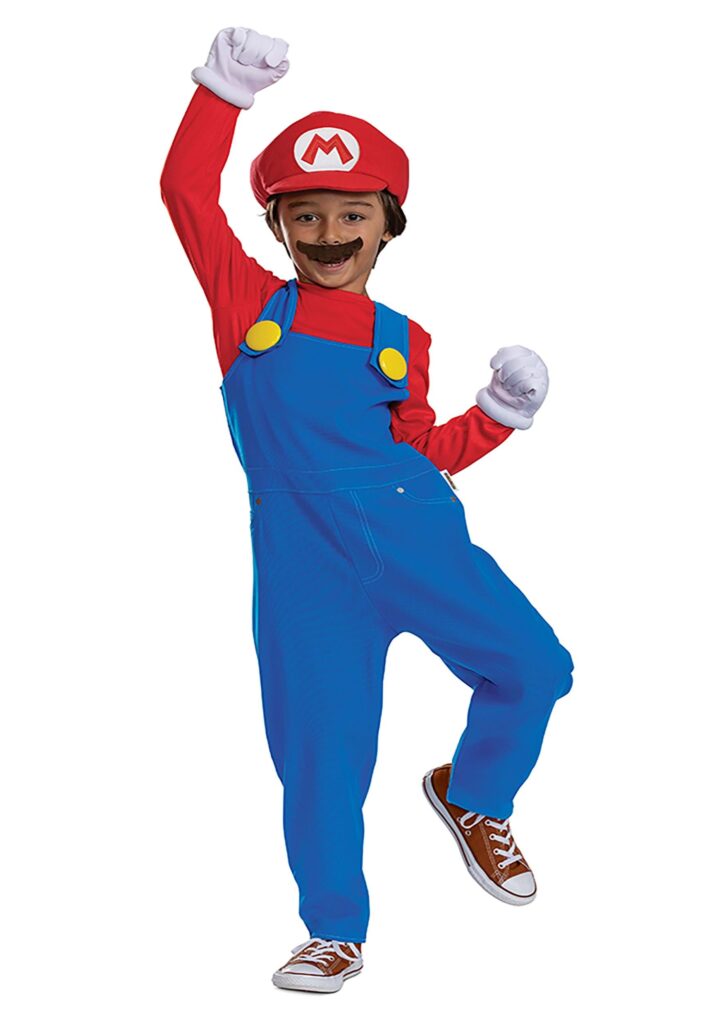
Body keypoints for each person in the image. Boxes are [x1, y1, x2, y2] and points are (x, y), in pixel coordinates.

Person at [160, 25, 575, 995]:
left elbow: (419, 451)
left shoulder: (403, 336)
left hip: (419, 535)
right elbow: (184, 193)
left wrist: (496, 416)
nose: (329, 233)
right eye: (304, 214)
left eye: (353, 213)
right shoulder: (246, 305)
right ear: (277, 227)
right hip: (306, 567)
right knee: (322, 752)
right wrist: (221, 95)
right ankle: (334, 929)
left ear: (388, 225)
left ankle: (474, 795)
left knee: (536, 667)